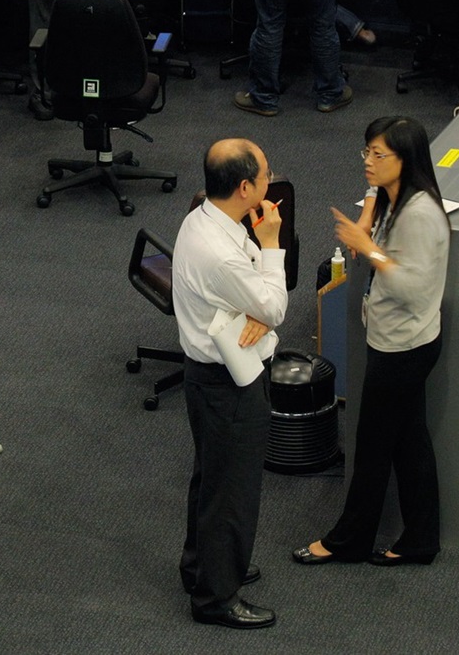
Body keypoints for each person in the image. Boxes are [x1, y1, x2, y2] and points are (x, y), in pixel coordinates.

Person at [295, 116, 448, 568]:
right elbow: (373, 193)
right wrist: (368, 214)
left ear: (406, 160)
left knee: (373, 447)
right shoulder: (394, 195)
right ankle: (421, 538)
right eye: (366, 151)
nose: (368, 162)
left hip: (403, 348)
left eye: (379, 155)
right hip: (404, 339)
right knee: (408, 442)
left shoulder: (419, 216)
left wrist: (370, 246)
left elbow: (411, 289)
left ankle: (349, 540)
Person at [172, 138, 288, 631]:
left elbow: (257, 303)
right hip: (229, 386)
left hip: (207, 379)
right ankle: (216, 599)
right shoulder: (222, 254)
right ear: (245, 188)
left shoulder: (203, 216)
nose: (270, 181)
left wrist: (254, 305)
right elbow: (276, 307)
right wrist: (271, 246)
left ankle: (203, 567)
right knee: (232, 494)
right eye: (265, 175)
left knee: (212, 480)